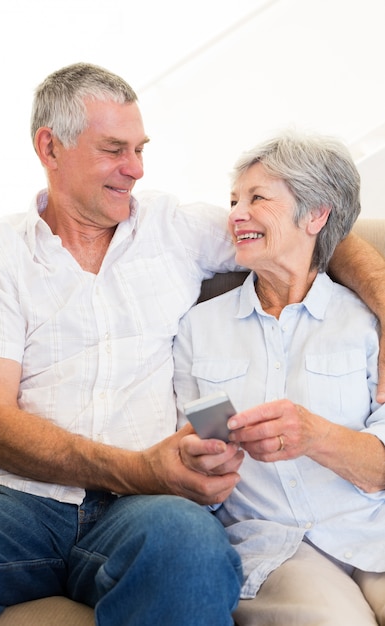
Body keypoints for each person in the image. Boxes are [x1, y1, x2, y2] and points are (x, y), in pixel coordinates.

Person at [0, 63, 383, 625]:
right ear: (50, 146)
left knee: (189, 551)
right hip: (18, 499)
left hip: (145, 510)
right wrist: (136, 467)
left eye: (140, 149)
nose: (135, 169)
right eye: (115, 149)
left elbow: (304, 235)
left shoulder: (174, 228)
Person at [173, 130, 385, 625]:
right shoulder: (197, 327)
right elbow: (185, 447)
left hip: (372, 528)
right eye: (233, 200)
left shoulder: (366, 322)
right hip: (274, 546)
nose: (236, 214)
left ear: (316, 215)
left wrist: (316, 437)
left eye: (258, 198)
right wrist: (200, 460)